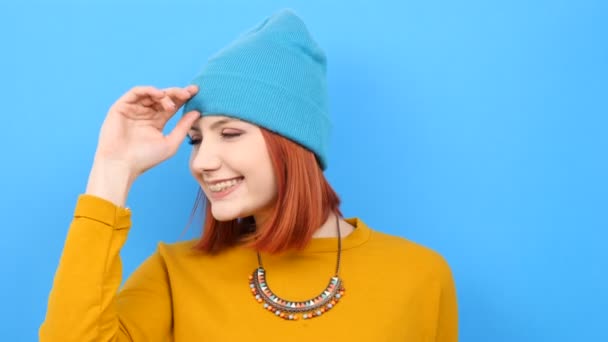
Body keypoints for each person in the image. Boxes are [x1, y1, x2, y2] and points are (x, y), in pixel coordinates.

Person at [40, 9, 458, 341]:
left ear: (293, 143)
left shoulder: (420, 276)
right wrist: (113, 169)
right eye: (196, 140)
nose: (202, 161)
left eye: (231, 133)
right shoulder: (175, 274)